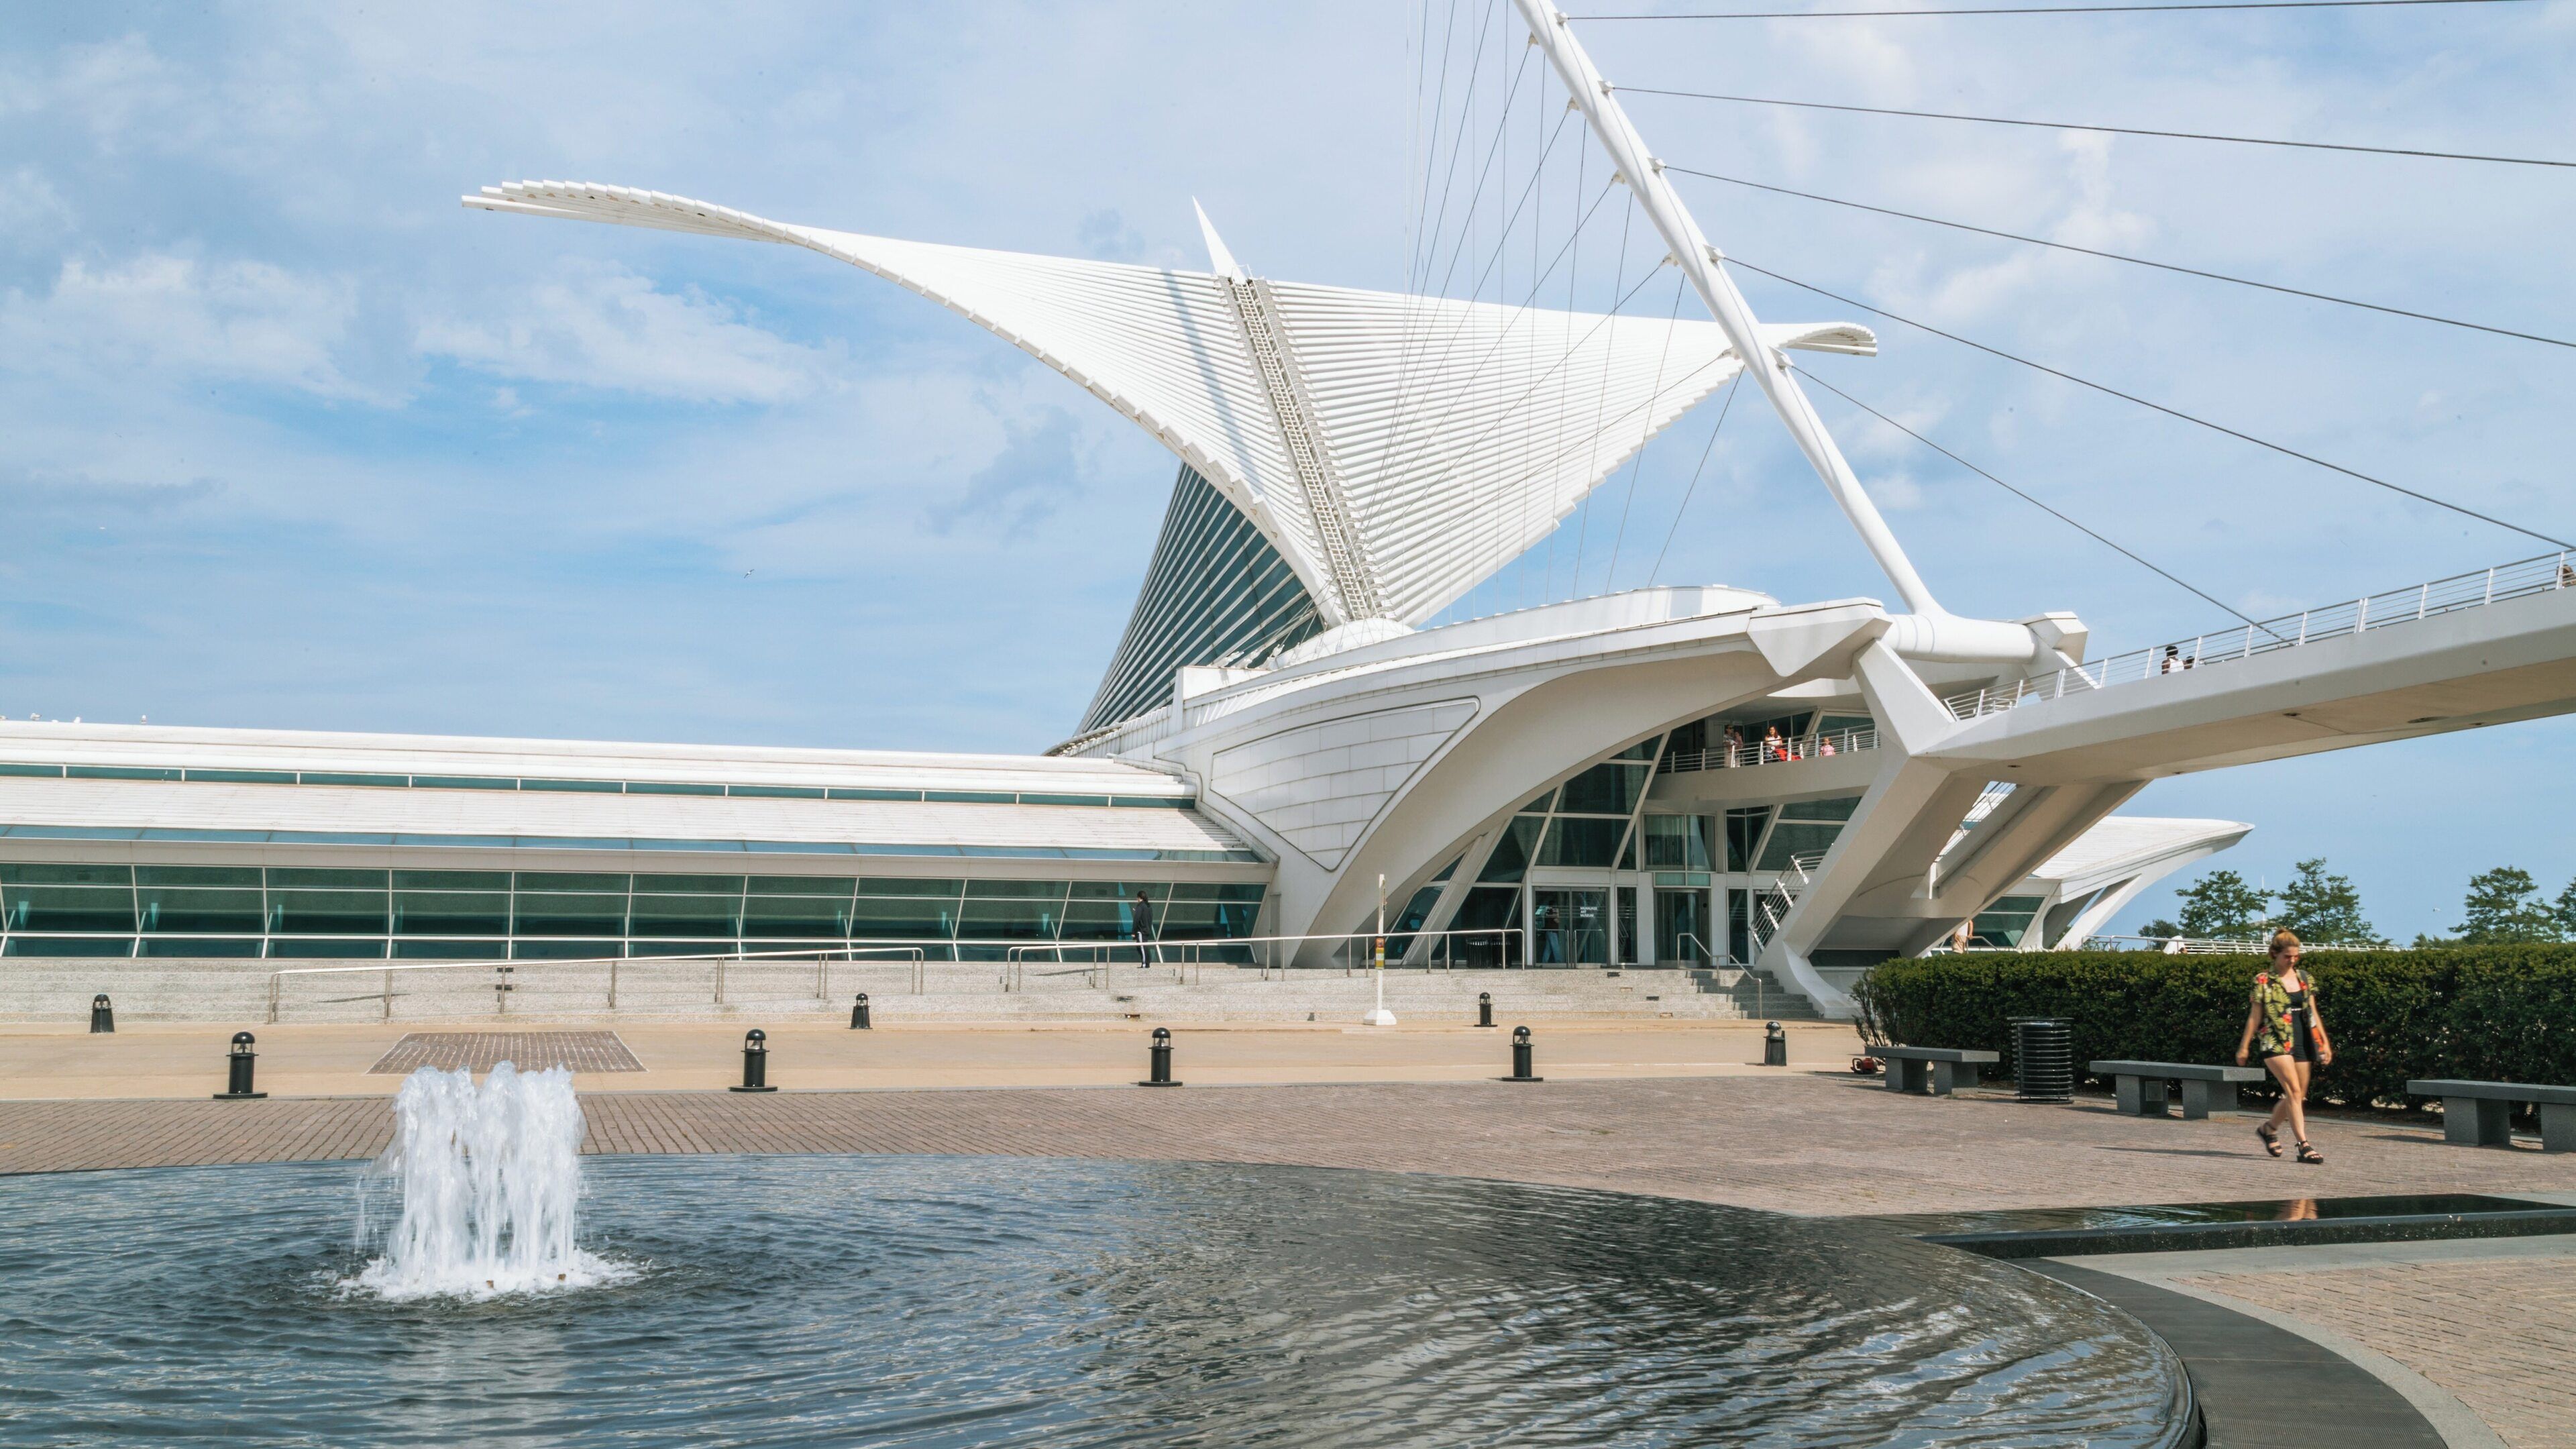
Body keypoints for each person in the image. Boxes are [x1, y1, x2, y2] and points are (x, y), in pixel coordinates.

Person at [2237, 928, 2333, 1163]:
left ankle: (2268, 1129)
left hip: (2301, 1037)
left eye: (2295, 956)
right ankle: (2304, 1145)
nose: (2292, 960)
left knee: (2299, 1097)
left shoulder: (2304, 978)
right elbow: (2255, 1016)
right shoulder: (2263, 980)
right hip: (2274, 1039)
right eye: (2287, 956)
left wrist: (2325, 1043)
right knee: (2293, 1091)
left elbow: (2314, 1012)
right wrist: (2244, 1046)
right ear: (2274, 954)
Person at [1130, 890, 1157, 968]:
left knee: (1142, 947)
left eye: (1137, 898)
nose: (1136, 900)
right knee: (1142, 946)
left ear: (1139, 898)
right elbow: (1147, 918)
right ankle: (1146, 962)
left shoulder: (1140, 906)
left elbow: (1136, 919)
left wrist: (1133, 932)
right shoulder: (1148, 907)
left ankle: (1145, 964)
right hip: (1146, 930)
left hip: (1141, 931)